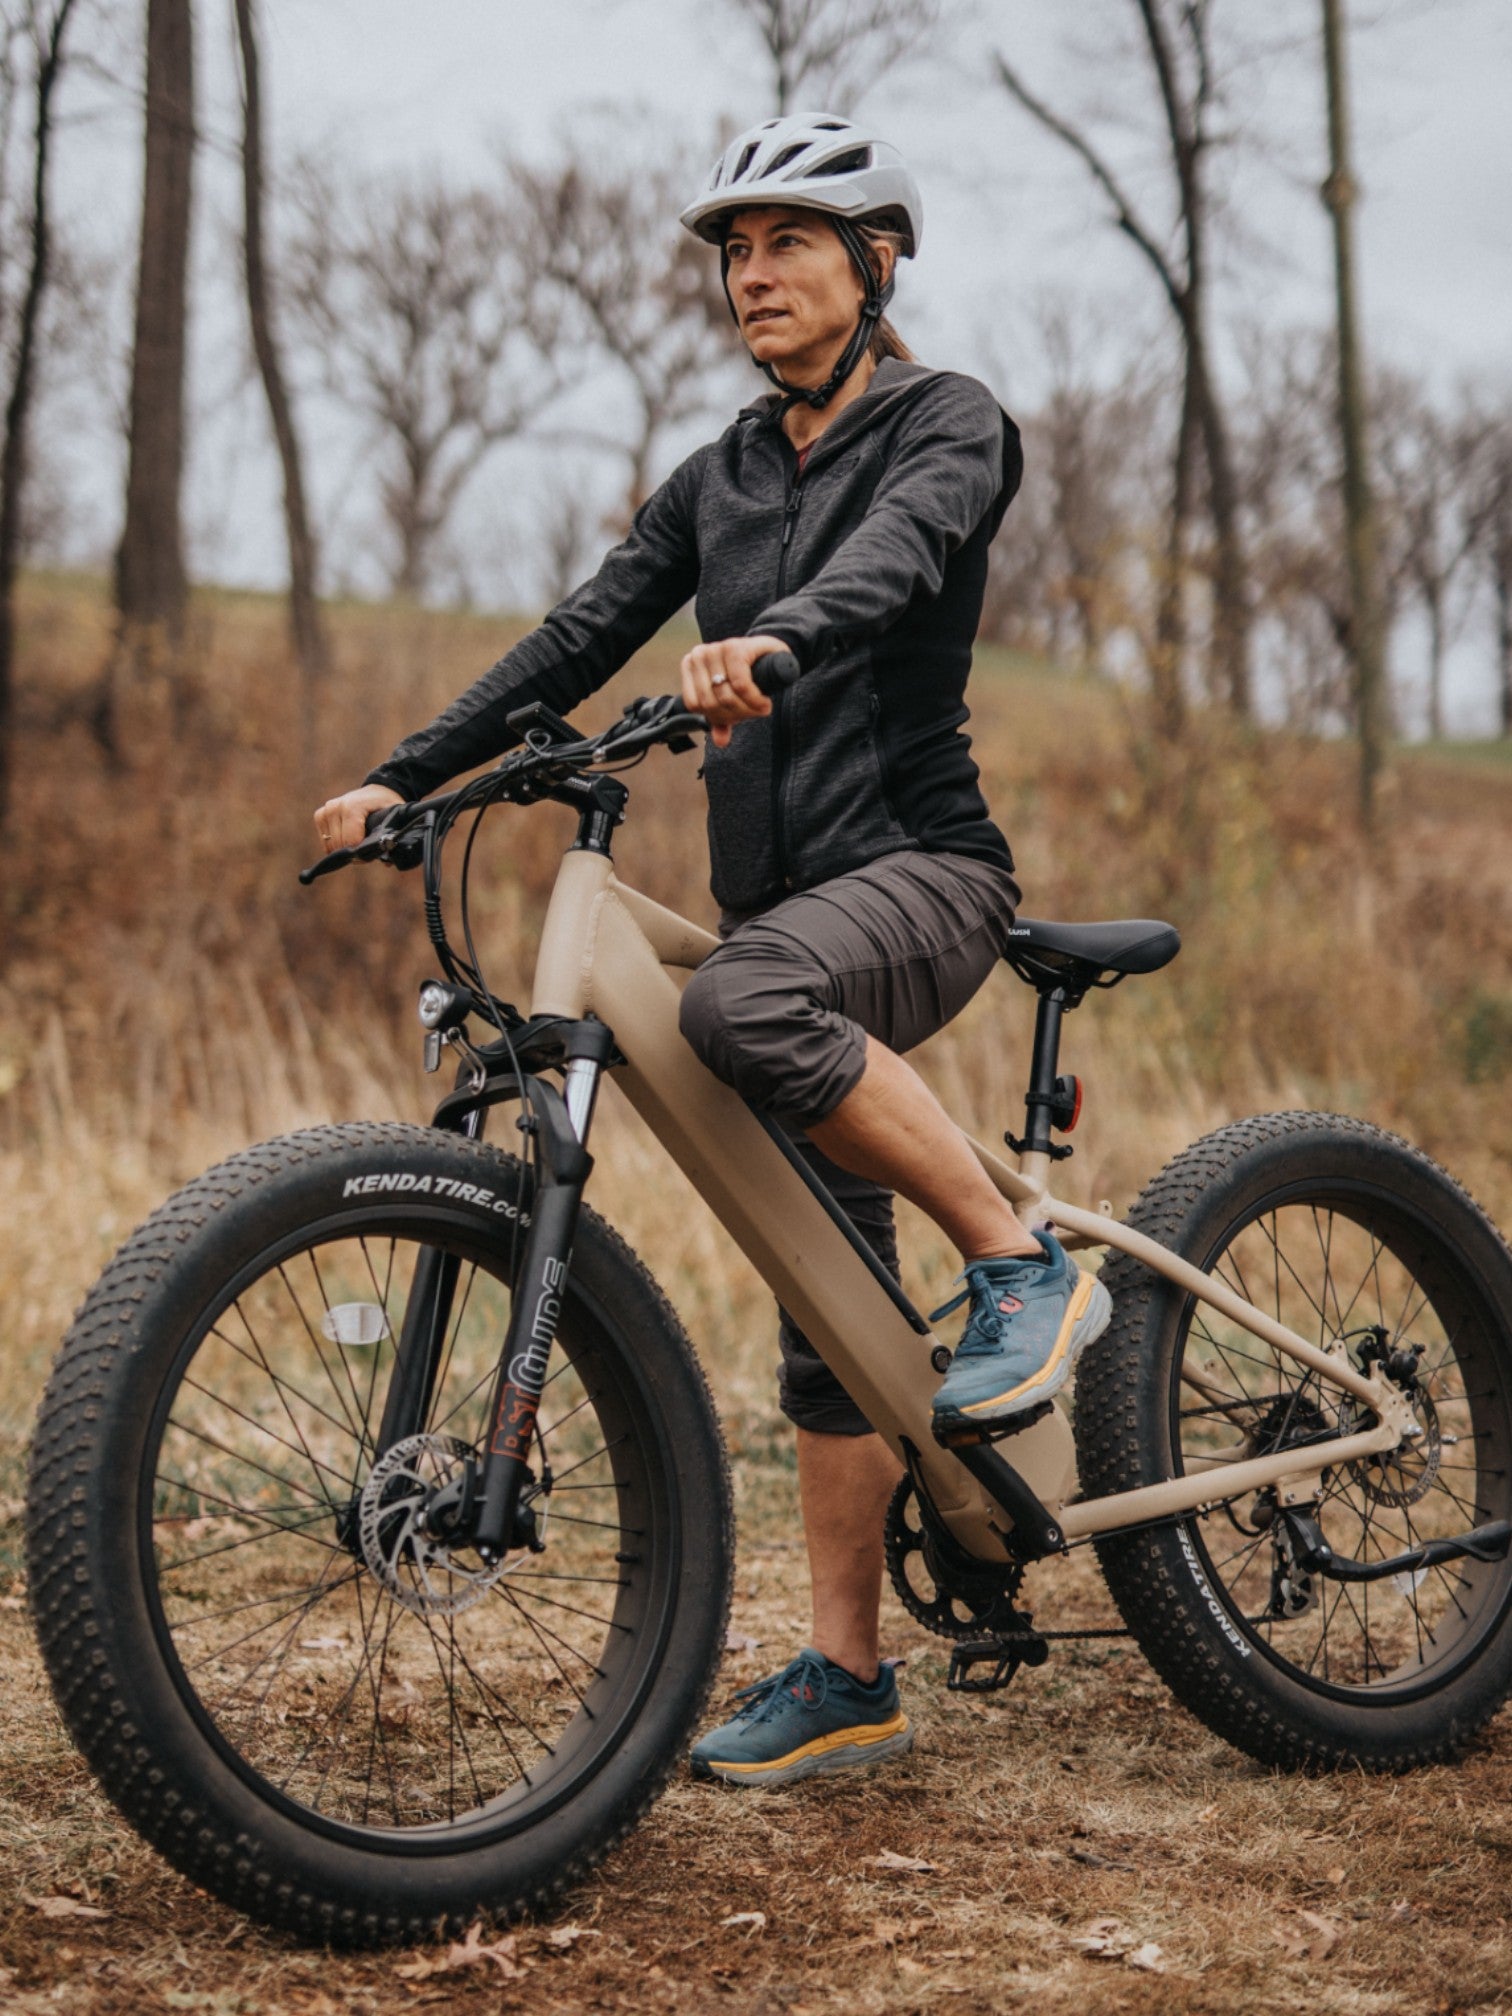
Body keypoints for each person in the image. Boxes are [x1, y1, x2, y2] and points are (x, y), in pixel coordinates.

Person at [314, 112, 1111, 1791]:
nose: (755, 276)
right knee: (823, 1293)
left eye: (791, 245)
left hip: (922, 874)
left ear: (874, 266)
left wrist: (780, 636)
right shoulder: (726, 472)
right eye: (736, 253)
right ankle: (846, 1674)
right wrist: (409, 773)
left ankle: (1021, 1262)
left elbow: (894, 569)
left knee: (750, 999)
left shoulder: (946, 422)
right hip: (786, 919)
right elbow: (583, 633)